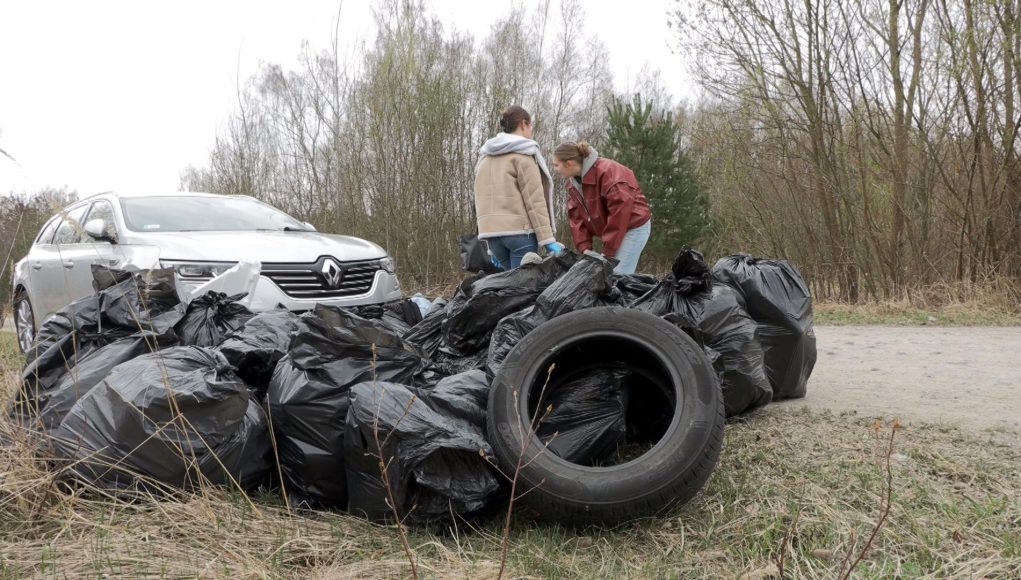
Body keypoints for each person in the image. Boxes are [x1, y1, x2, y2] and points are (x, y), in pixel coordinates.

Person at [474, 106, 565, 270]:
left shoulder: (484, 158)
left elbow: (482, 201)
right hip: (520, 234)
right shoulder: (523, 155)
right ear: (524, 124)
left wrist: (489, 246)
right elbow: (534, 200)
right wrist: (548, 239)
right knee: (523, 289)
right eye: (531, 127)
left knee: (509, 290)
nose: (531, 131)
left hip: (493, 237)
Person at [552, 141, 652, 275]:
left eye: (556, 165)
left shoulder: (607, 172)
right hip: (615, 230)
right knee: (606, 277)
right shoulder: (573, 186)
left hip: (633, 227)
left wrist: (607, 252)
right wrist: (585, 248)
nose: (555, 169)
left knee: (618, 277)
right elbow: (576, 219)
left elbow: (620, 213)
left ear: (568, 163)